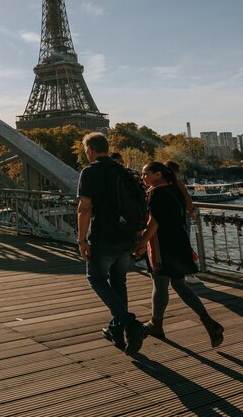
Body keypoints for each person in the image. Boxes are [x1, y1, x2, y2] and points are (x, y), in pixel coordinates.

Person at [136, 162, 224, 347]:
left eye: (146, 174)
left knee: (160, 284)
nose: (143, 177)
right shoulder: (174, 188)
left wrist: (141, 244)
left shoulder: (156, 193)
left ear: (157, 174)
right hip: (179, 242)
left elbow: (154, 223)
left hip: (162, 246)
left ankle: (157, 323)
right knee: (177, 283)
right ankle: (206, 321)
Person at [77, 132, 147, 354]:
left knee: (96, 278)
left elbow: (84, 209)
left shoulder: (89, 172)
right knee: (119, 284)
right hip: (127, 236)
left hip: (104, 237)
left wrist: (81, 239)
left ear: (89, 150)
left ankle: (130, 324)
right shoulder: (125, 171)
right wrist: (140, 238)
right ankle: (117, 331)